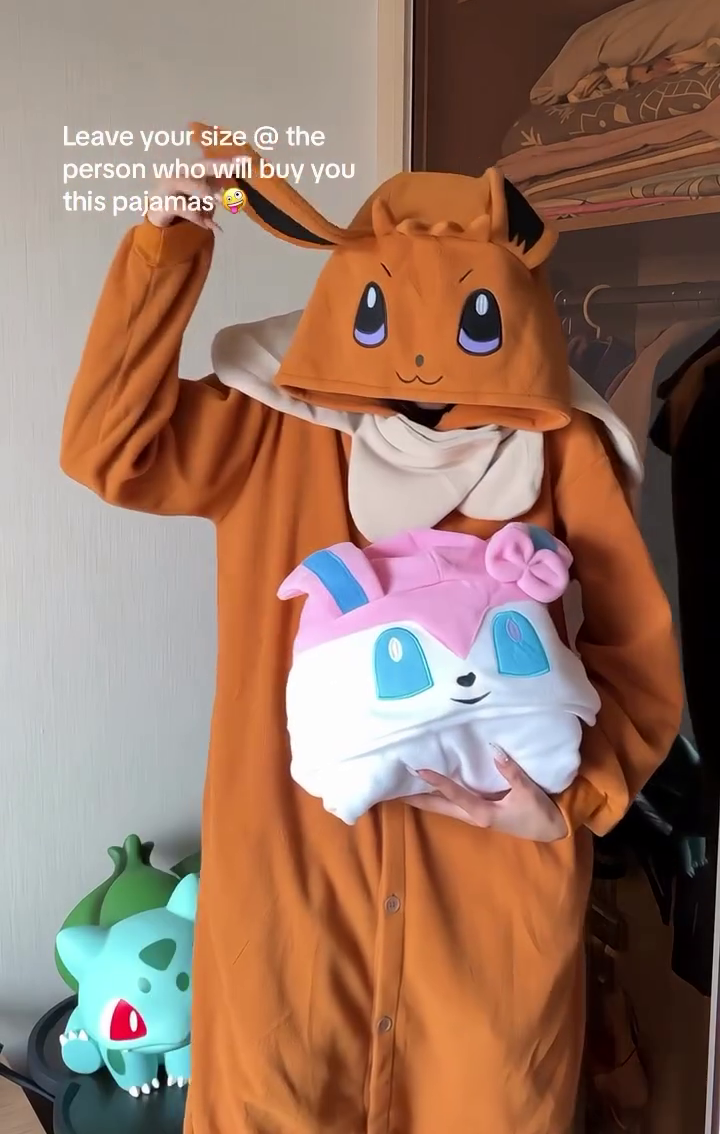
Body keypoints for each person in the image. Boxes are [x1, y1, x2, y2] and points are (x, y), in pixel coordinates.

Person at [60, 126, 683, 1134]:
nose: (427, 359)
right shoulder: (271, 423)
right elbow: (111, 449)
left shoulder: (558, 447)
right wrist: (168, 246)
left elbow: (638, 646)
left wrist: (579, 798)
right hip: (293, 899)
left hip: (490, 907)